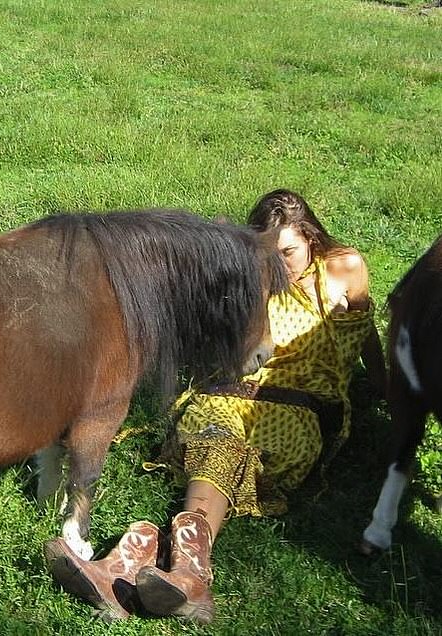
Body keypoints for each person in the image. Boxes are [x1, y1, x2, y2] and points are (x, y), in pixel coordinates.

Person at [44, 189, 387, 623]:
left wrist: (384, 387)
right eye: (268, 254)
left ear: (312, 238)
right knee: (215, 437)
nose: (280, 264)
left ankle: (128, 565)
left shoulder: (343, 269)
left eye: (289, 251)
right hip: (228, 393)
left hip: (300, 403)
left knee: (228, 452)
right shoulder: (253, 274)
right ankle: (182, 574)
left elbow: (365, 332)